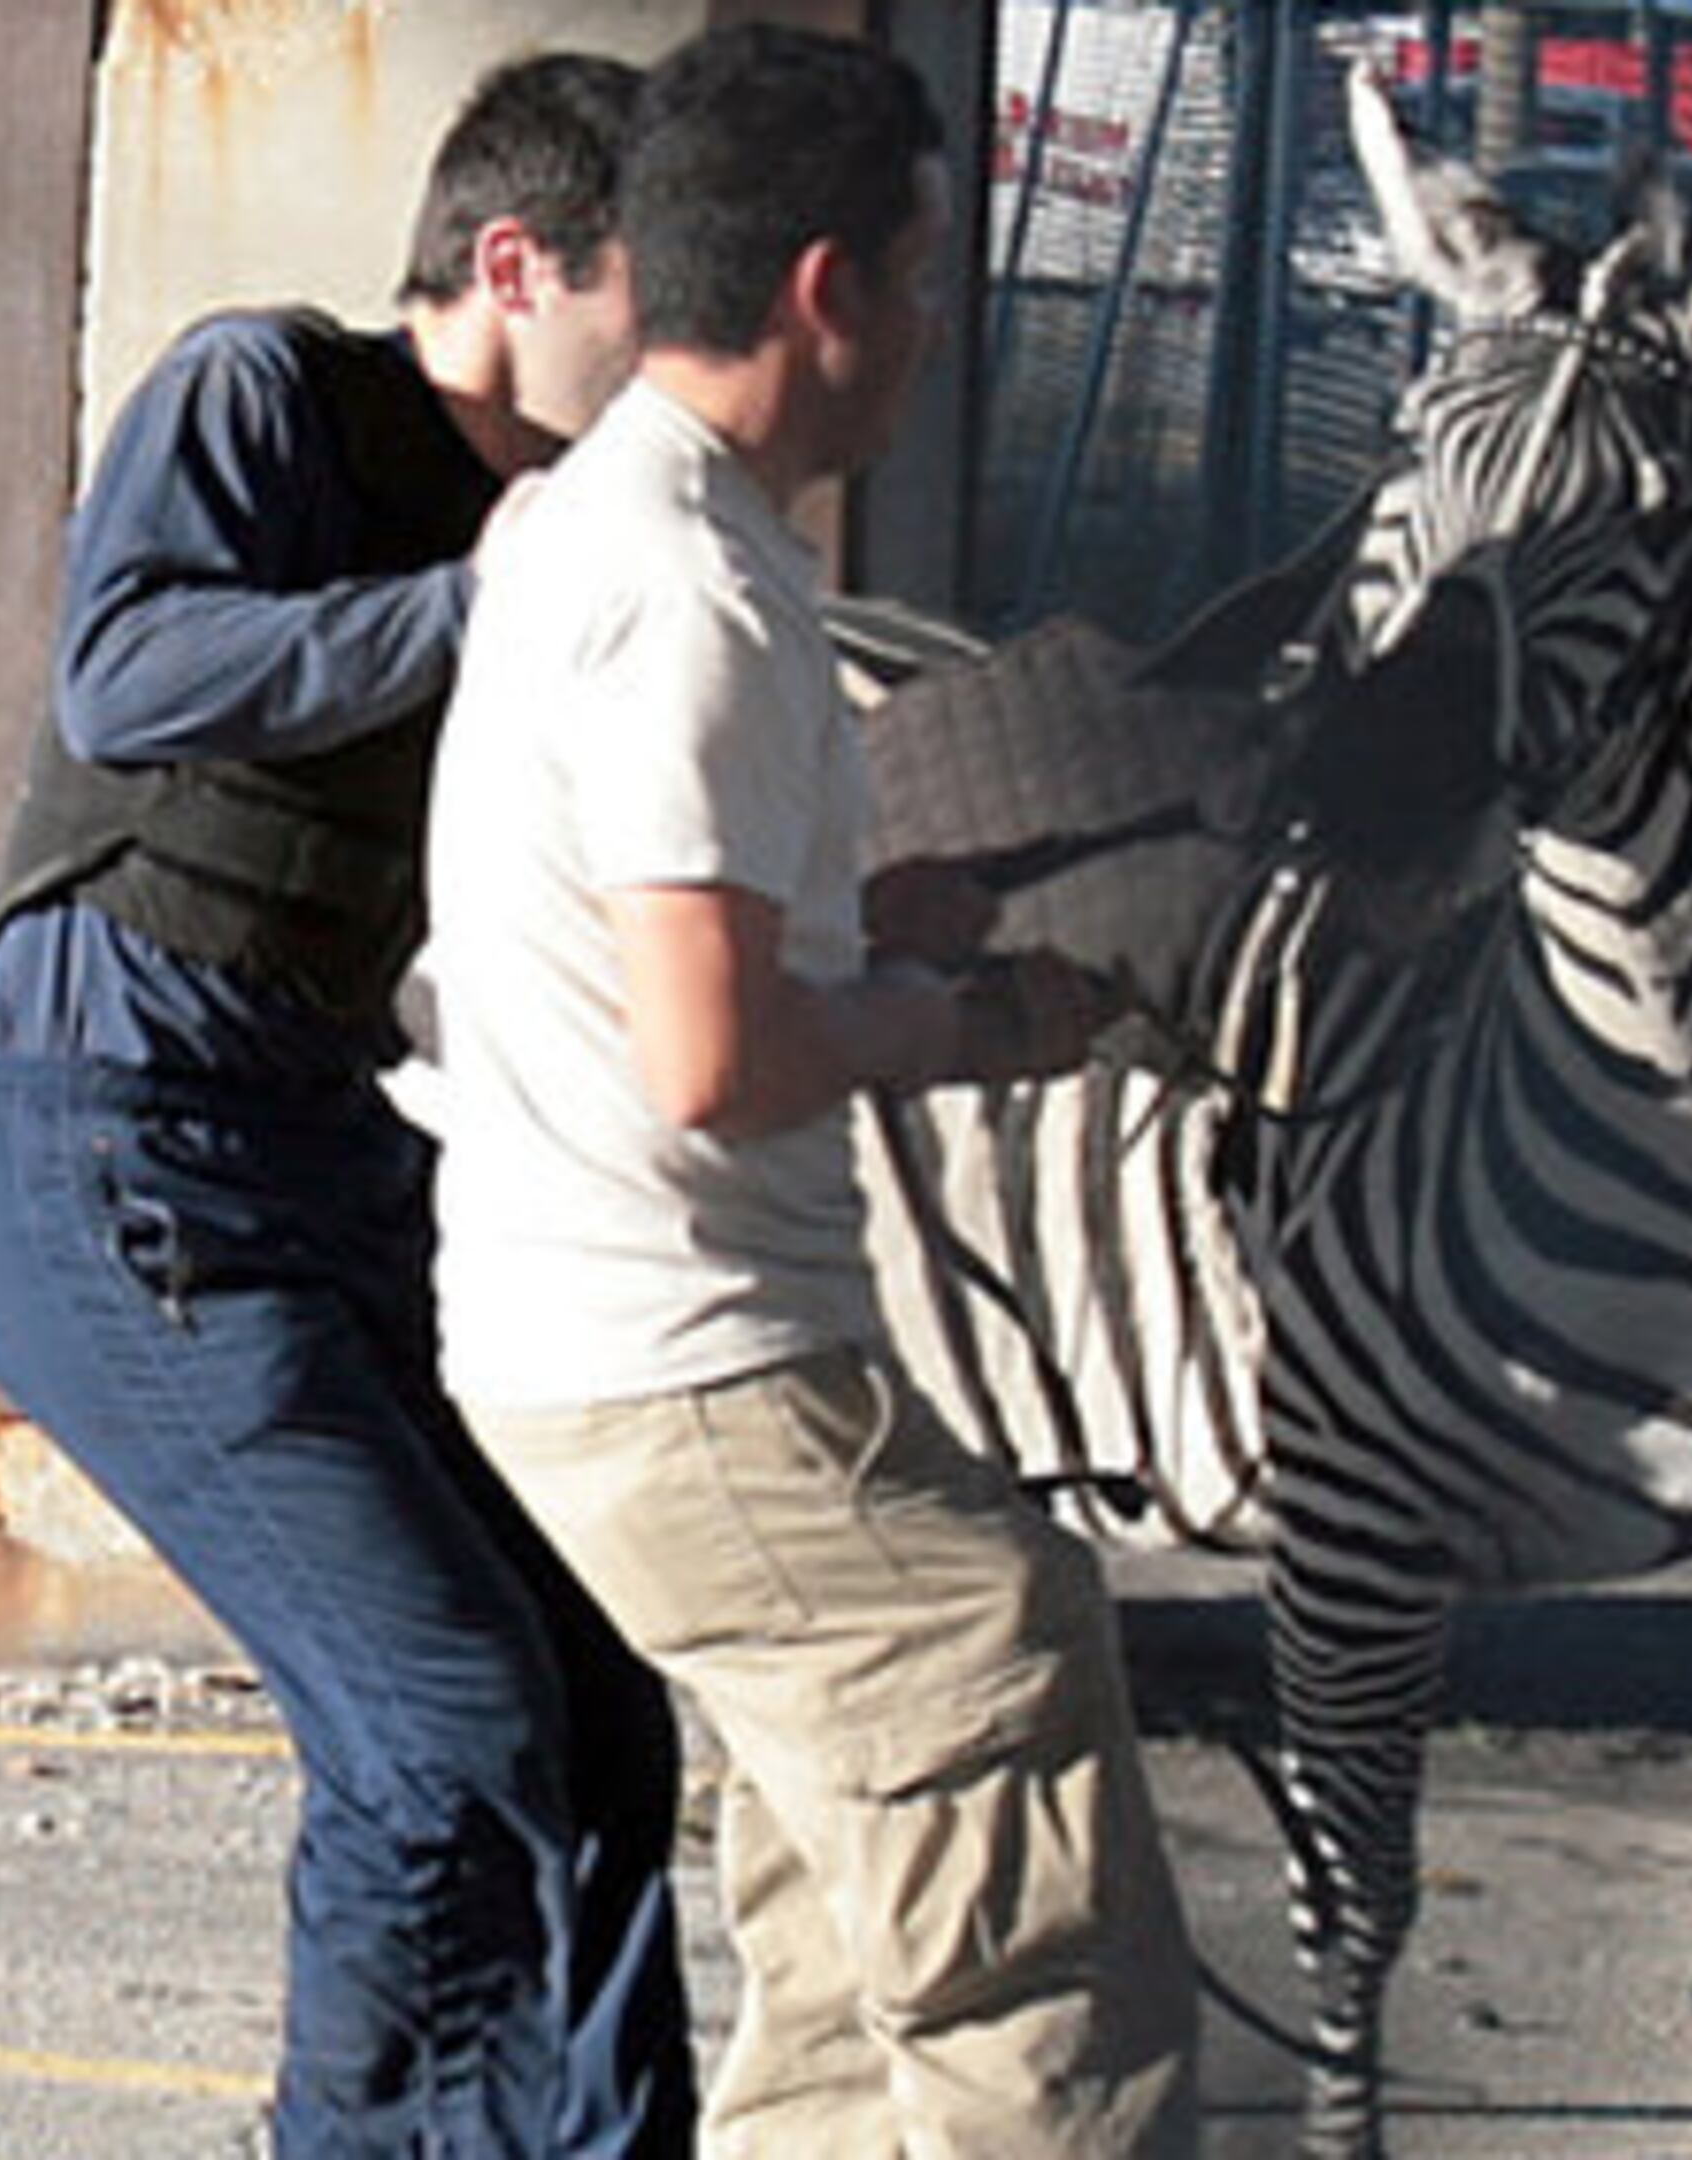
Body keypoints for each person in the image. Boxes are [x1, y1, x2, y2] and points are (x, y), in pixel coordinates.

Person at [421, 24, 1203, 2155]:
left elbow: (684, 936)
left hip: (605, 1348)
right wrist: (986, 1027)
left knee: (851, 1926)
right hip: (693, 1359)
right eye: (930, 278)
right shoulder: (691, 590)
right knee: (1009, 1746)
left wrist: (895, 917)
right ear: (828, 291)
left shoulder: (621, 529)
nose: (942, 331)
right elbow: (712, 1054)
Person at [0, 53, 691, 2158]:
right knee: (445, 1728)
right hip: (118, 1156)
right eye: (651, 295)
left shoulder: (560, 528)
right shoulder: (265, 393)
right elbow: (130, 676)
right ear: (515, 264)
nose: (667, 360)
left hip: (330, 1166)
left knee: (596, 1714)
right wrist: (487, 604)